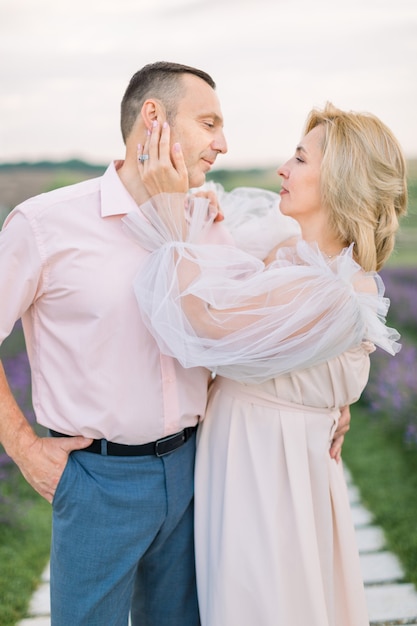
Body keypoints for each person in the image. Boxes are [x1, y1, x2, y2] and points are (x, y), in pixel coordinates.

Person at [0, 61, 348, 625]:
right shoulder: (44, 225)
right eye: (209, 123)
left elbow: (249, 332)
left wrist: (328, 392)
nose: (223, 144)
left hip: (197, 470)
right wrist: (23, 447)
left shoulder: (206, 220)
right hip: (95, 480)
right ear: (154, 118)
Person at [122, 102, 407, 625]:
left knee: (263, 599)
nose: (283, 168)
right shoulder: (287, 254)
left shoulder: (332, 292)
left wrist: (169, 217)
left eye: (300, 159)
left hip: (268, 472)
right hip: (240, 453)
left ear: (340, 181)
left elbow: (205, 323)